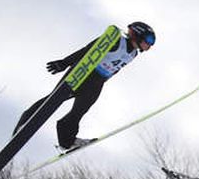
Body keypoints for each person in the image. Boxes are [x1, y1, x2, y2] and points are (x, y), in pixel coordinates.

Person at [17, 22, 155, 151]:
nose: (149, 45)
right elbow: (88, 50)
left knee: (79, 111)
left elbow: (116, 68)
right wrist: (64, 63)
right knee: (54, 100)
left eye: (151, 43)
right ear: (138, 34)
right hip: (84, 73)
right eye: (149, 40)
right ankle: (25, 121)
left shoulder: (133, 54)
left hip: (97, 81)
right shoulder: (116, 41)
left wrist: (102, 81)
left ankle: (67, 141)